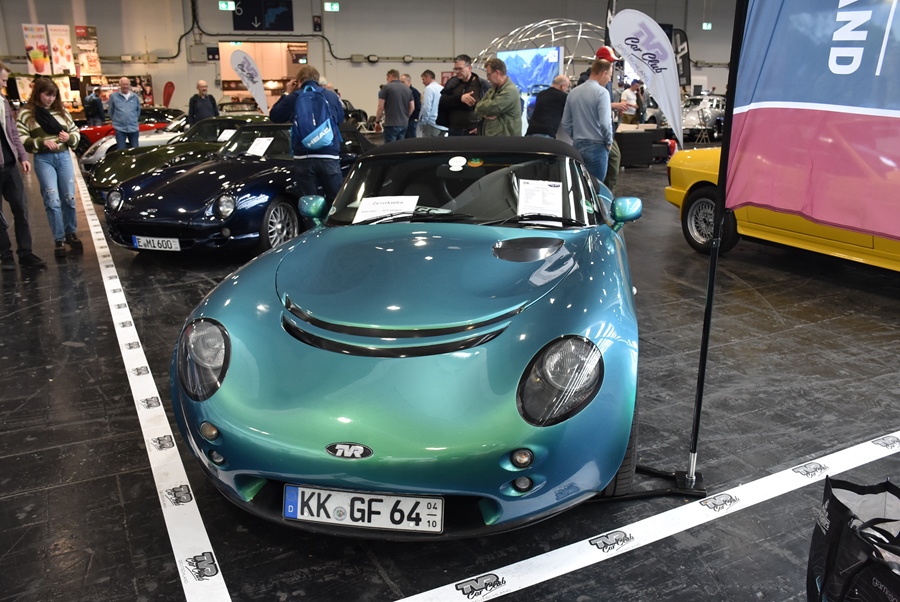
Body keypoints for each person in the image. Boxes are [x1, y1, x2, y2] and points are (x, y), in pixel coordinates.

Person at [16, 77, 82, 258]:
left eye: (53, 95)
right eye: (47, 95)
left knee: (69, 197)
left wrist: (69, 138)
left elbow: (75, 131)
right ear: (38, 93)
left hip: (64, 157)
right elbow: (20, 138)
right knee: (52, 199)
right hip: (43, 159)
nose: (50, 99)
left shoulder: (62, 111)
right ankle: (58, 238)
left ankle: (71, 232)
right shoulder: (26, 114)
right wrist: (40, 142)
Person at [270, 64, 344, 206]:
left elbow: (275, 116)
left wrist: (287, 93)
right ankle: (334, 220)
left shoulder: (294, 97)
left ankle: (313, 221)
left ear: (298, 81)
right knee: (336, 201)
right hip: (329, 155)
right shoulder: (330, 96)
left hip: (304, 156)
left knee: (310, 203)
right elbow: (340, 119)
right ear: (317, 79)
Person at [0, 62, 45, 269]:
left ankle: (25, 253)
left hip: (10, 166)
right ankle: (6, 256)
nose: (4, 84)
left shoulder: (3, 102)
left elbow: (14, 133)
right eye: (2, 80)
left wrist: (23, 157)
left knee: (21, 209)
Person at [562, 58, 614, 182]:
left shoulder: (573, 93)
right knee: (596, 187)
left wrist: (577, 136)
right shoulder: (602, 93)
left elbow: (565, 122)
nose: (609, 80)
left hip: (577, 147)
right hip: (597, 147)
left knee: (579, 186)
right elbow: (605, 123)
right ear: (604, 73)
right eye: (610, 76)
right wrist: (609, 142)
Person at [437, 54, 490, 136]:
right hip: (454, 130)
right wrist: (460, 98)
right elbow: (443, 102)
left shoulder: (482, 85)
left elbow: (489, 109)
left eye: (460, 69)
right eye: (455, 69)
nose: (457, 72)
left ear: (469, 68)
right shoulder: (452, 83)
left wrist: (481, 128)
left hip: (473, 131)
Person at [474, 58, 522, 137]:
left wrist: (483, 108)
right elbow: (477, 107)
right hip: (492, 137)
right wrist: (482, 113)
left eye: (489, 75)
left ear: (497, 72)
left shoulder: (510, 91)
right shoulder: (493, 89)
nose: (487, 78)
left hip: (506, 140)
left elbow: (491, 108)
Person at [374, 69, 413, 144]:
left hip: (391, 123)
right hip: (404, 124)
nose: (387, 80)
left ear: (390, 76)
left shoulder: (386, 88)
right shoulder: (407, 89)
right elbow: (412, 107)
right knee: (400, 146)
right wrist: (406, 116)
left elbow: (380, 107)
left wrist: (377, 121)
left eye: (387, 78)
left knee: (389, 147)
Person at [107, 77, 141, 149]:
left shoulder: (135, 97)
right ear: (120, 85)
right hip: (120, 129)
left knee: (135, 150)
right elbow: (110, 111)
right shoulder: (113, 96)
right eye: (123, 84)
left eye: (126, 84)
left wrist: (133, 119)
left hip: (133, 128)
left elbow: (138, 110)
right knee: (121, 150)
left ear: (129, 85)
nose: (125, 86)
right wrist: (117, 121)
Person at [417, 70, 446, 137]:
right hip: (442, 125)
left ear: (428, 77)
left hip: (431, 124)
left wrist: (424, 122)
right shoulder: (442, 88)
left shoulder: (429, 88)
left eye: (423, 79)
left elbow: (426, 107)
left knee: (428, 143)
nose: (423, 82)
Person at [399, 74, 421, 139]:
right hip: (404, 120)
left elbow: (417, 106)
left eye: (403, 82)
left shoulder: (414, 92)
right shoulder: (402, 92)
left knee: (410, 138)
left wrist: (410, 117)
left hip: (411, 119)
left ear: (408, 82)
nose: (401, 84)